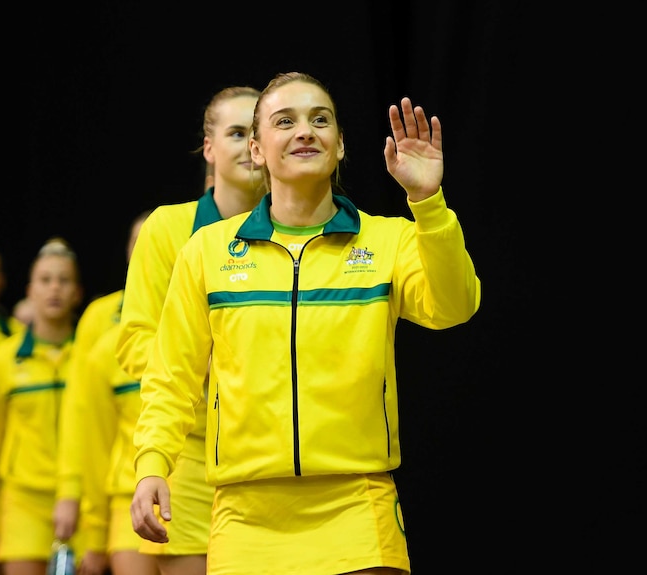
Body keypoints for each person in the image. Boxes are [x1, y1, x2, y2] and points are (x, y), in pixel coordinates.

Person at [129, 72, 482, 575]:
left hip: (358, 508)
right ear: (257, 149)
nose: (306, 131)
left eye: (321, 120)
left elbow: (455, 306)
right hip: (244, 517)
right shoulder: (206, 252)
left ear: (340, 147)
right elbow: (172, 377)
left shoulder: (390, 241)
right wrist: (151, 465)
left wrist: (427, 203)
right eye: (285, 121)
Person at [116, 85, 264, 575]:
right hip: (195, 458)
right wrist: (216, 368)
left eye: (257, 132)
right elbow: (136, 342)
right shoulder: (167, 229)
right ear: (209, 148)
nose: (248, 145)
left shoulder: (296, 228)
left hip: (282, 458)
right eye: (236, 132)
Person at [0, 237, 84, 575]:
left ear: (77, 292)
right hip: (23, 502)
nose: (54, 289)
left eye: (64, 280)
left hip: (85, 499)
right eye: (45, 280)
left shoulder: (93, 355)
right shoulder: (0, 362)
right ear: (30, 291)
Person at [53, 209, 153, 575]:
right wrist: (75, 498)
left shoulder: (194, 310)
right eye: (136, 240)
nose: (145, 248)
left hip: (191, 491)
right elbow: (82, 415)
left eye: (154, 240)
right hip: (124, 491)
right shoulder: (100, 320)